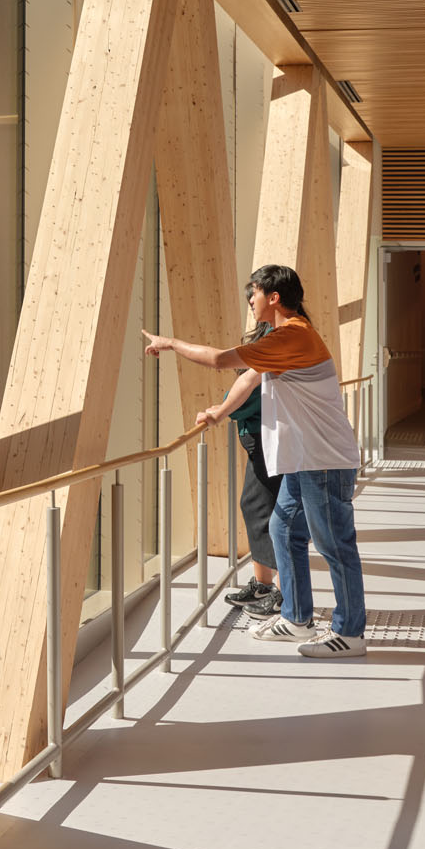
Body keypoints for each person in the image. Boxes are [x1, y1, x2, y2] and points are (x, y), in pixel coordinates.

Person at [145, 263, 368, 658]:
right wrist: (218, 413)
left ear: (274, 297)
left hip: (325, 461)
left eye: (255, 293)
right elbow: (248, 377)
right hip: (304, 462)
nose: (250, 300)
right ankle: (297, 619)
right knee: (282, 529)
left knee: (335, 545)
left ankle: (350, 633)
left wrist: (171, 343)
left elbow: (219, 360)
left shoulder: (294, 336)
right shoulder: (281, 337)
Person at [201, 328, 285, 623]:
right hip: (264, 444)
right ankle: (264, 585)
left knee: (260, 509)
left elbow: (240, 403)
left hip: (265, 444)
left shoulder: (261, 372)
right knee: (256, 507)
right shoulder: (266, 363)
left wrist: (222, 409)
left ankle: (279, 592)